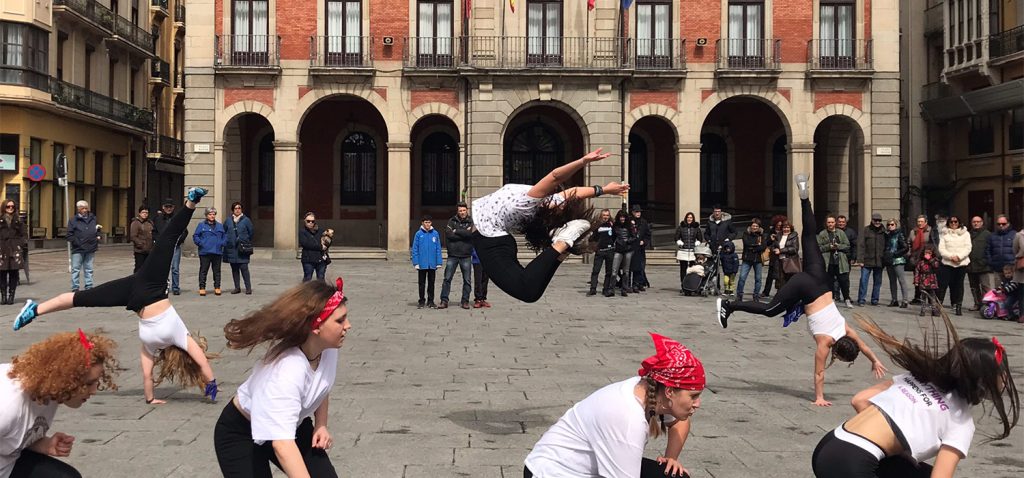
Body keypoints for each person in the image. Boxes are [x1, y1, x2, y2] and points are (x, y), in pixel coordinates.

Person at [14, 188, 219, 405]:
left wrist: (212, 383)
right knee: (81, 298)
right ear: (168, 356)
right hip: (135, 296)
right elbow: (147, 376)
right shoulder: (151, 345)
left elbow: (202, 361)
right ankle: (34, 310)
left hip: (151, 284)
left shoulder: (181, 337)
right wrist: (151, 399)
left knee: (169, 238)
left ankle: (191, 202)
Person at [716, 175, 888, 406]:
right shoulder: (825, 344)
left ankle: (805, 197)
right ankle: (729, 305)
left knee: (809, 236)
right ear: (837, 352)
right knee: (769, 310)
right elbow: (819, 374)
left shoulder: (847, 331)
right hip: (806, 288)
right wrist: (819, 398)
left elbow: (864, 346)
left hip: (822, 281)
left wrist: (875, 360)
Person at [810, 313, 1019, 478]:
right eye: (1002, 373)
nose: (1005, 379)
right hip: (852, 463)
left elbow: (859, 399)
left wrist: (896, 447)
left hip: (830, 443)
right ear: (985, 379)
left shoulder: (917, 377)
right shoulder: (961, 421)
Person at [214, 279, 351, 478]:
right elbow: (282, 445)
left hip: (292, 423)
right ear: (316, 327)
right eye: (340, 321)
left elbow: (322, 385)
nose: (348, 325)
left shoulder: (327, 348)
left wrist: (321, 424)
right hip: (241, 432)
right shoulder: (286, 371)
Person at [523, 333, 703, 478]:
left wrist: (670, 459)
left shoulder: (652, 389)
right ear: (670, 392)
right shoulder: (627, 418)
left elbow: (680, 422)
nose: (697, 404)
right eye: (693, 396)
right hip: (549, 472)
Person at [471, 148, 627, 303]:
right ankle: (562, 248)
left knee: (526, 291)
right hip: (495, 239)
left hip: (489, 240)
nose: (560, 204)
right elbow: (573, 192)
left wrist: (583, 162)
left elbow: (555, 177)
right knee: (529, 292)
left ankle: (562, 244)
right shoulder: (541, 202)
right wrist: (604, 189)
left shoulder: (527, 202)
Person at [1, 330, 119, 478]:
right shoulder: (7, 406)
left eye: (96, 382)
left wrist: (42, 444)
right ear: (66, 380)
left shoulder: (49, 388)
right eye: (88, 384)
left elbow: (9, 437)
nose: (94, 391)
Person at [440, 203, 474, 310]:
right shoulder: (451, 221)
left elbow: (470, 235)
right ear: (457, 211)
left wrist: (457, 231)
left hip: (466, 255)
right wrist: (464, 233)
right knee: (447, 278)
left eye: (464, 210)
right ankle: (444, 300)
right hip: (453, 255)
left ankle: (465, 301)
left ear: (467, 210)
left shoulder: (471, 221)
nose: (462, 212)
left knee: (467, 280)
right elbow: (449, 235)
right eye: (460, 211)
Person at [937, 216, 972, 316]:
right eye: (951, 222)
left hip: (961, 263)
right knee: (942, 285)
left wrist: (959, 257)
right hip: (947, 262)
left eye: (955, 221)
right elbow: (941, 248)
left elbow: (968, 247)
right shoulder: (944, 233)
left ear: (959, 222)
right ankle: (938, 306)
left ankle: (958, 306)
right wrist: (950, 257)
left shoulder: (965, 234)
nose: (953, 223)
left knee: (959, 285)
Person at [152, 198, 187, 295]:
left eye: (170, 206)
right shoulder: (157, 219)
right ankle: (164, 287)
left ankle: (175, 287)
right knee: (163, 268)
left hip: (175, 246)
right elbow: (154, 232)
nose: (168, 208)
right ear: (163, 207)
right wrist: (157, 241)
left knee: (175, 268)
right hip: (162, 247)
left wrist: (178, 241)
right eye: (166, 206)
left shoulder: (178, 217)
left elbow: (184, 231)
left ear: (173, 207)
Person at [819, 215, 854, 309]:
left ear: (835, 223)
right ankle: (832, 299)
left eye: (832, 222)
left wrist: (838, 246)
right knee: (829, 282)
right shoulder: (822, 234)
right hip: (828, 261)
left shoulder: (841, 233)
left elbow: (847, 245)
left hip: (840, 261)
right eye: (829, 222)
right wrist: (828, 247)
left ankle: (846, 299)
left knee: (844, 281)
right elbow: (819, 248)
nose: (830, 224)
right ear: (826, 223)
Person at [66, 200, 100, 292]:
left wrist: (97, 236)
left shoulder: (93, 218)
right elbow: (69, 235)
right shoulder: (73, 220)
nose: (85, 210)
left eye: (86, 208)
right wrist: (77, 242)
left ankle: (89, 286)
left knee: (89, 268)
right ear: (78, 209)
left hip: (91, 247)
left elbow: (96, 229)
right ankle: (75, 287)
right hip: (78, 248)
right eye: (83, 208)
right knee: (76, 269)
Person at [411, 216, 443, 309]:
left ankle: (431, 301)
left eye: (429, 222)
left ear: (431, 223)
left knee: (431, 283)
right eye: (425, 222)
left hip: (432, 263)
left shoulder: (435, 233)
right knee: (421, 283)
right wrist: (416, 262)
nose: (427, 224)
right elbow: (415, 249)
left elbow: (438, 248)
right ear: (422, 223)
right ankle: (421, 300)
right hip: (422, 263)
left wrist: (439, 261)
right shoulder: (418, 234)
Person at [193, 207, 226, 297]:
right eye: (210, 214)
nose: (212, 216)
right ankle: (202, 288)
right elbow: (196, 236)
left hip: (217, 251)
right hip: (205, 252)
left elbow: (224, 236)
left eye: (213, 214)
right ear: (206, 215)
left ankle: (217, 287)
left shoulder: (219, 225)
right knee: (203, 270)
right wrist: (201, 243)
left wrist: (222, 243)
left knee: (217, 271)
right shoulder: (201, 225)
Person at [223, 202, 255, 295]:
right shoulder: (228, 220)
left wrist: (245, 240)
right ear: (233, 210)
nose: (237, 210)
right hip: (232, 249)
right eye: (236, 208)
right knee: (234, 269)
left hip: (242, 248)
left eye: (239, 208)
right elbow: (224, 231)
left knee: (244, 268)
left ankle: (248, 288)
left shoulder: (246, 220)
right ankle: (237, 287)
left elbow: (251, 232)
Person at [0, 199, 26, 305]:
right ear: (4, 207)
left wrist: (21, 244)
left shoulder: (18, 220)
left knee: (14, 273)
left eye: (12, 206)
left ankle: (11, 296)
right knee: (1, 273)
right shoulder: (0, 219)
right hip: (2, 249)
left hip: (15, 249)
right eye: (8, 206)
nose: (10, 208)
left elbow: (24, 234)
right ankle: (3, 296)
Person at [856, 213, 886, 306]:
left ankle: (875, 299)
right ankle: (861, 299)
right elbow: (861, 245)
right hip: (867, 260)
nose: (877, 222)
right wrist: (860, 260)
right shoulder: (866, 230)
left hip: (879, 261)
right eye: (875, 220)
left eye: (879, 221)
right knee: (863, 281)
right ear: (872, 220)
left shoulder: (884, 232)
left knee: (877, 282)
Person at [909, 215, 938, 304]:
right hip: (916, 258)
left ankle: (930, 299)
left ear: (926, 222)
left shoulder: (930, 231)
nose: (920, 223)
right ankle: (917, 298)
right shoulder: (913, 232)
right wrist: (909, 254)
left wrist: (933, 256)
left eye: (922, 221)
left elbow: (934, 244)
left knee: (929, 279)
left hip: (927, 259)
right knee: (917, 278)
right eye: (918, 221)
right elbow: (909, 243)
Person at [736, 218, 766, 302]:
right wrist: (757, 245)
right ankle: (739, 294)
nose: (755, 227)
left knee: (758, 279)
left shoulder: (762, 235)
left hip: (758, 259)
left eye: (756, 226)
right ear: (750, 226)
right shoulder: (746, 233)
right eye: (753, 226)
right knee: (742, 277)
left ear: (759, 227)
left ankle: (756, 295)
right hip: (747, 258)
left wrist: (754, 248)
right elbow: (747, 243)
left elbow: (763, 246)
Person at [881, 218, 910, 308]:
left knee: (901, 280)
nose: (890, 226)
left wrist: (895, 254)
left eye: (892, 224)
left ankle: (905, 300)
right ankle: (894, 299)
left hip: (898, 260)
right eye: (888, 224)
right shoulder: (887, 235)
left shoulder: (900, 234)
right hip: (889, 261)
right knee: (892, 281)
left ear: (896, 225)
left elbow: (906, 247)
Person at [587, 209, 615, 297]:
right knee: (596, 270)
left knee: (609, 272)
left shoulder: (612, 225)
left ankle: (605, 289)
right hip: (600, 251)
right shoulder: (597, 226)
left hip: (610, 250)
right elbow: (592, 238)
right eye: (604, 215)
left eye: (607, 215)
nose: (605, 217)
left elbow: (616, 236)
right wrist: (594, 247)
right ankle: (593, 288)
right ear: (601, 216)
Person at [966, 216, 991, 311]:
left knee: (985, 286)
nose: (976, 223)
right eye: (974, 222)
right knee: (974, 287)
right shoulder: (968, 234)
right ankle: (977, 304)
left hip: (983, 265)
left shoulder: (987, 234)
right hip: (971, 265)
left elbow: (990, 249)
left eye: (978, 222)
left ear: (982, 223)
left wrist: (986, 261)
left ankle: (988, 304)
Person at [612, 209, 639, 297]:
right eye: (620, 217)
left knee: (626, 271)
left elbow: (634, 236)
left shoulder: (630, 226)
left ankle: (624, 289)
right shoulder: (615, 226)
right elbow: (612, 236)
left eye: (623, 217)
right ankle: (611, 289)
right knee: (614, 270)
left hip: (628, 249)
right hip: (618, 249)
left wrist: (627, 241)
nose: (622, 219)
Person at [675, 212, 703, 295]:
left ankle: (691, 286)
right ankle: (683, 286)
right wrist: (679, 242)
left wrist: (697, 242)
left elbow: (700, 238)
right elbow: (676, 237)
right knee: (683, 270)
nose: (689, 219)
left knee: (692, 269)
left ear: (693, 218)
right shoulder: (681, 227)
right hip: (683, 251)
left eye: (691, 217)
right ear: (686, 218)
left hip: (692, 251)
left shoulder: (696, 228)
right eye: (688, 217)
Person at [761, 216, 787, 299]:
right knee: (770, 275)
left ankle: (779, 292)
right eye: (777, 225)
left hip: (781, 255)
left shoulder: (784, 232)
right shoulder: (771, 232)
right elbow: (767, 243)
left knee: (780, 276)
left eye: (780, 225)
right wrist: (771, 239)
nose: (779, 226)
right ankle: (766, 291)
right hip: (773, 256)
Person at [914, 244, 941, 317]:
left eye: (929, 253)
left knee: (932, 297)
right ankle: (923, 310)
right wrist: (916, 281)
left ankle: (934, 310)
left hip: (931, 281)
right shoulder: (921, 262)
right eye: (926, 253)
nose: (927, 254)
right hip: (923, 281)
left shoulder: (935, 260)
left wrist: (930, 259)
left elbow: (936, 266)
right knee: (923, 297)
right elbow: (917, 271)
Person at [299, 212, 326, 282]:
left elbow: (327, 240)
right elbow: (305, 244)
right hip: (308, 260)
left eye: (312, 221)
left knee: (321, 279)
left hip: (321, 259)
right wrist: (320, 247)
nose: (310, 223)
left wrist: (327, 243)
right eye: (308, 221)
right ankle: (305, 292)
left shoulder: (321, 231)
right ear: (305, 221)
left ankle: (320, 293)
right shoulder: (302, 232)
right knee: (307, 278)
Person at [630, 205, 652, 292]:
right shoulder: (630, 222)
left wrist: (644, 241)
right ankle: (629, 284)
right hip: (631, 247)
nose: (638, 213)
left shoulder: (643, 222)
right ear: (633, 212)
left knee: (640, 266)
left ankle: (638, 283)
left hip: (640, 248)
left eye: (639, 212)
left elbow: (647, 234)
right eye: (636, 212)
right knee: (631, 266)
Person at [772, 221, 800, 290]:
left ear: (791, 228)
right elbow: (773, 246)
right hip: (779, 261)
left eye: (788, 227)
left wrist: (781, 251)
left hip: (789, 262)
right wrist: (774, 249)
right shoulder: (778, 236)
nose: (786, 229)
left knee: (790, 282)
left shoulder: (794, 236)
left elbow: (794, 249)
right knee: (780, 282)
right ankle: (781, 298)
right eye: (784, 227)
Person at [988, 215, 1017, 279]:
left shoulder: (1015, 235)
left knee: (1012, 288)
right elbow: (988, 250)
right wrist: (991, 262)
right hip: (997, 268)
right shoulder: (992, 236)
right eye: (999, 224)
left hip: (1012, 268)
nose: (1001, 225)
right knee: (998, 288)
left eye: (1003, 224)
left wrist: (1015, 262)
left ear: (1008, 224)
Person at [129, 205, 154, 273]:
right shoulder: (135, 223)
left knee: (148, 269)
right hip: (140, 251)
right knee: (139, 269)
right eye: (143, 212)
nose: (145, 214)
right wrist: (141, 244)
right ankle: (136, 283)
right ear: (139, 213)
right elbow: (133, 236)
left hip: (149, 250)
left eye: (146, 212)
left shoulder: (150, 223)